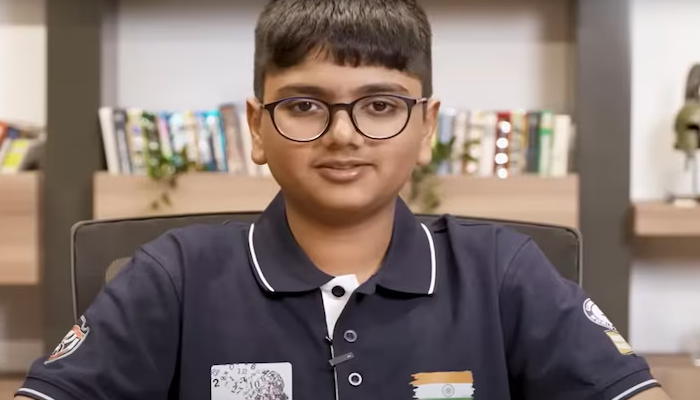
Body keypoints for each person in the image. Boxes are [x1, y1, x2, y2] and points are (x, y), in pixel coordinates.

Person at [15, 0, 671, 399]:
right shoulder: (175, 275)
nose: (343, 136)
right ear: (257, 128)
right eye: (305, 105)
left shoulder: (505, 271)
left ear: (426, 127)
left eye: (380, 106)